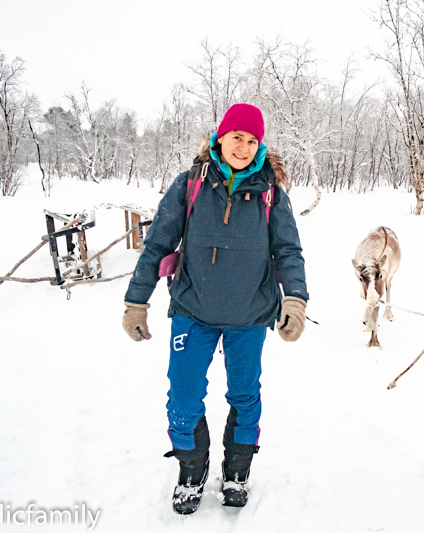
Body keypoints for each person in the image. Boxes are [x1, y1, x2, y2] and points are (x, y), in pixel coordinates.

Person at [121, 103, 309, 515]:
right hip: (193, 308)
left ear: (260, 146)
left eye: (252, 140)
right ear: (219, 138)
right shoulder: (190, 184)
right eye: (236, 137)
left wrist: (295, 298)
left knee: (245, 397)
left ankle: (237, 472)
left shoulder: (271, 192)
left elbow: (289, 249)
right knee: (183, 400)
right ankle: (192, 471)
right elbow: (157, 245)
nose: (243, 146)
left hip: (251, 314)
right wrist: (137, 300)